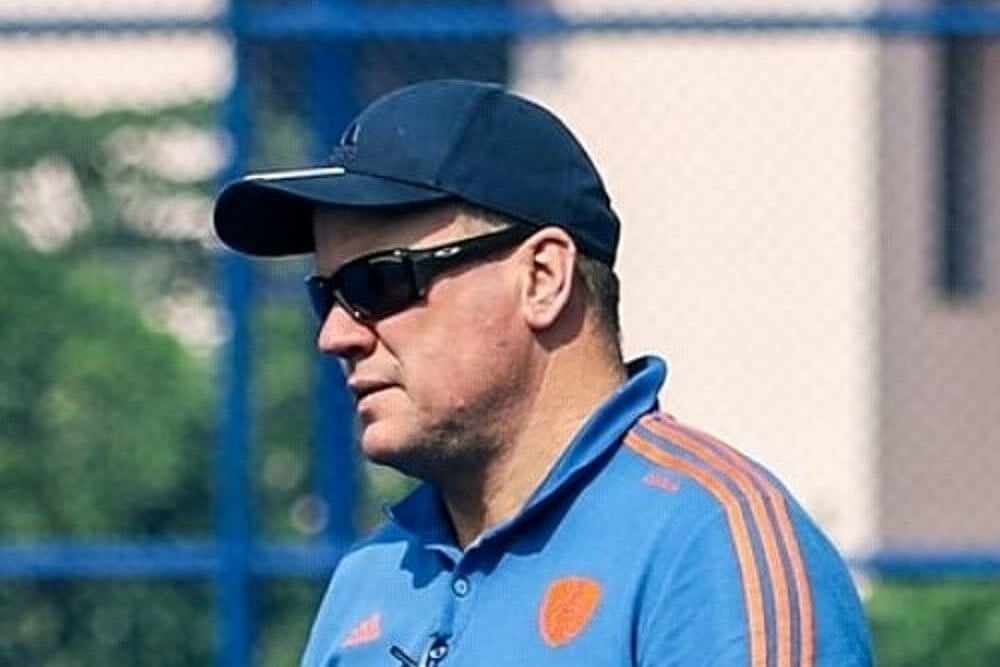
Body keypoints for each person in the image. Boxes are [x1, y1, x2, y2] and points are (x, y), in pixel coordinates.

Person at [212, 79, 873, 667]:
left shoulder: (712, 541)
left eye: (378, 283)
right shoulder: (369, 578)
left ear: (543, 278)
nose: (336, 334)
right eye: (325, 296)